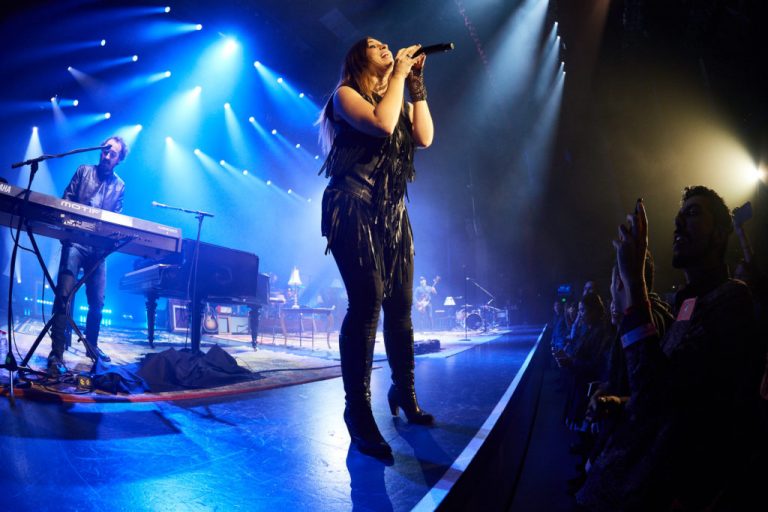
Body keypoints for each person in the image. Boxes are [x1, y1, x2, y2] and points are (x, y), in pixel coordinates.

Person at [576, 187, 765, 511]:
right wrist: (619, 402)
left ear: (720, 234)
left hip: (653, 492)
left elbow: (660, 399)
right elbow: (668, 387)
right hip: (623, 482)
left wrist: (635, 285)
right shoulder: (687, 303)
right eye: (679, 215)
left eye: (692, 213)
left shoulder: (733, 298)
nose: (678, 222)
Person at [318, 37, 435, 458]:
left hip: (392, 215)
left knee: (400, 305)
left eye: (385, 44)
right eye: (374, 45)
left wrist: (415, 84)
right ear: (358, 59)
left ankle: (404, 391)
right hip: (352, 205)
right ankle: (358, 411)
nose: (385, 46)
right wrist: (399, 72)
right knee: (367, 302)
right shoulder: (345, 95)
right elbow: (382, 125)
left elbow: (424, 137)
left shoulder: (397, 99)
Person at [47, 136, 128, 376]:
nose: (106, 155)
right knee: (64, 295)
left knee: (98, 303)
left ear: (119, 159)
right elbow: (66, 200)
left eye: (112, 153)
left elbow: (116, 220)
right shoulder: (84, 171)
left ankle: (91, 346)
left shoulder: (120, 186)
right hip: (76, 242)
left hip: (98, 250)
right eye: (105, 150)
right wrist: (69, 229)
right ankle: (56, 353)